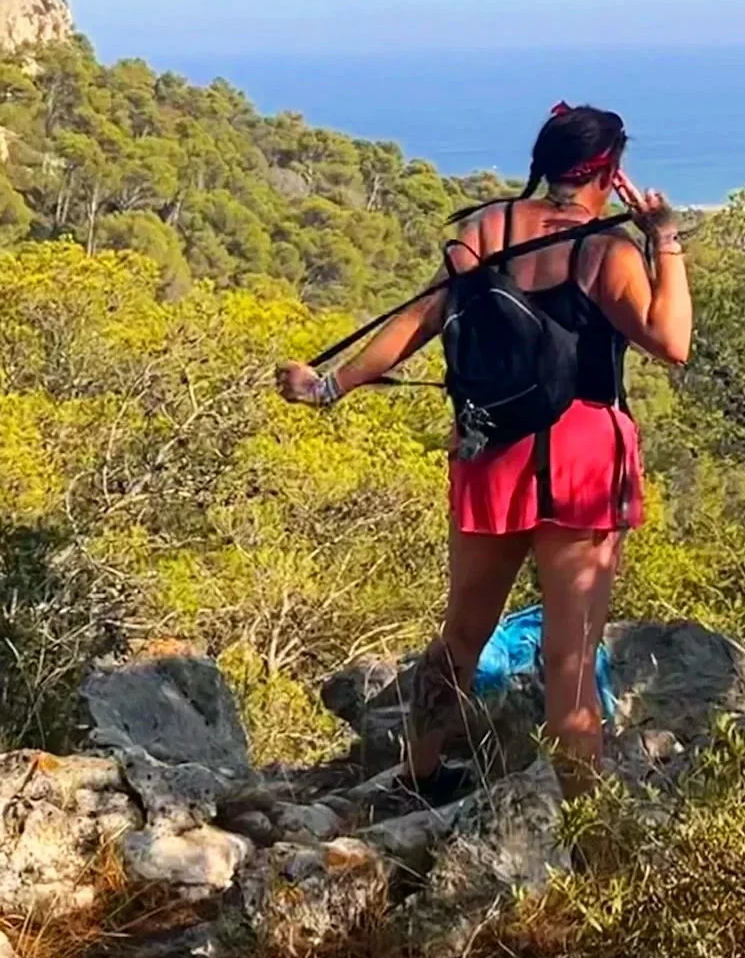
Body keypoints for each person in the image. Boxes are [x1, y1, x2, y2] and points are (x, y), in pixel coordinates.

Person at [275, 103, 692, 798]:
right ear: (610, 171)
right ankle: (580, 818)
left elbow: (417, 321)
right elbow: (671, 341)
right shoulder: (606, 252)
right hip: (581, 461)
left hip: (489, 451)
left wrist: (328, 387)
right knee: (570, 654)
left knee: (461, 635)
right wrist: (666, 241)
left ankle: (418, 771)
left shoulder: (484, 231)